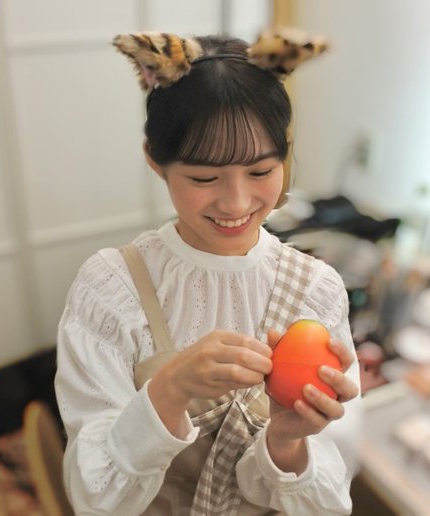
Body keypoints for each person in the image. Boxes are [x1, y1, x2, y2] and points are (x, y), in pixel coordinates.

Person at [55, 28, 362, 516]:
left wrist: (287, 442)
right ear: (155, 161)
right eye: (204, 178)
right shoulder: (113, 288)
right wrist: (170, 388)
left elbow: (328, 504)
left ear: (285, 152)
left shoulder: (315, 292)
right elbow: (94, 498)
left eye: (260, 172)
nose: (236, 204)